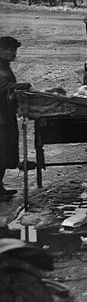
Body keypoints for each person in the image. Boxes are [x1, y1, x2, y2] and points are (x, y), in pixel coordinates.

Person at [0, 36, 22, 199]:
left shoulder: (5, 65)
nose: (13, 53)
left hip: (6, 114)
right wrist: (21, 87)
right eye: (10, 49)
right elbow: (3, 87)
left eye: (14, 50)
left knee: (5, 151)